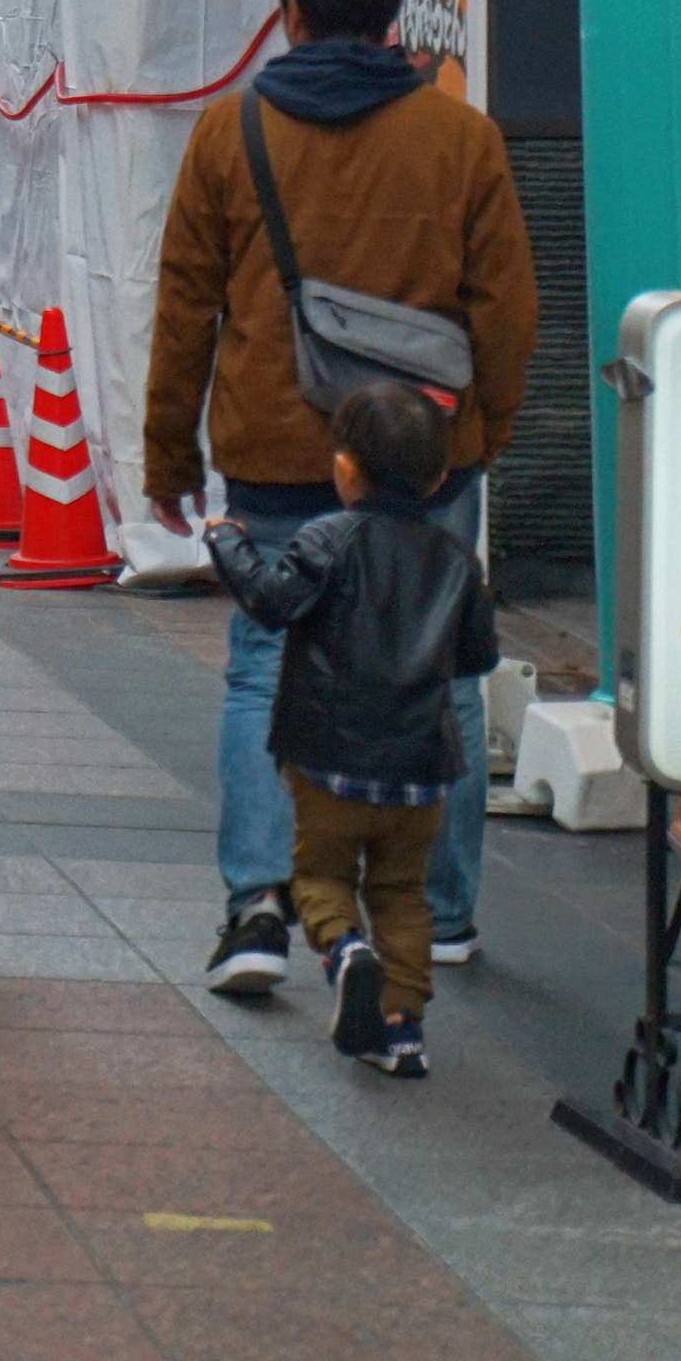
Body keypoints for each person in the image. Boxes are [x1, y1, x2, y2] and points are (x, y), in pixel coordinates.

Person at [142, 0, 537, 997]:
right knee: (439, 667)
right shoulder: (460, 139)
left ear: (289, 9)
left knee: (263, 660)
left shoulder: (233, 130)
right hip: (425, 448)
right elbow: (505, 307)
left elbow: (185, 304)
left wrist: (168, 454)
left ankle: (259, 905)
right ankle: (443, 912)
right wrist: (478, 434)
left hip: (276, 438)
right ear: (388, 7)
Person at [203, 377, 494, 1079]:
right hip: (421, 769)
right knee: (401, 895)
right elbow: (478, 657)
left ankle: (342, 953)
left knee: (321, 876)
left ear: (344, 469)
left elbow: (272, 603)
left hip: (329, 756)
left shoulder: (326, 538)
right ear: (437, 479)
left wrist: (228, 545)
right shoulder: (458, 563)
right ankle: (400, 1030)